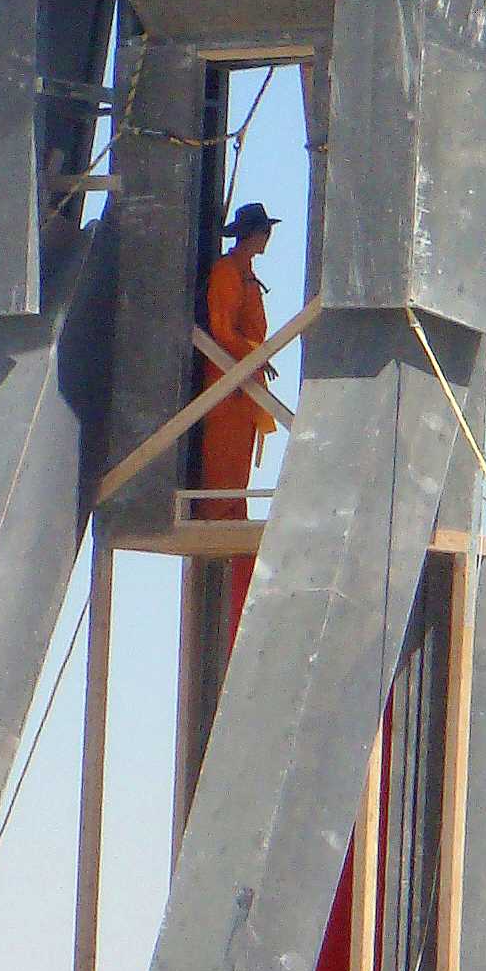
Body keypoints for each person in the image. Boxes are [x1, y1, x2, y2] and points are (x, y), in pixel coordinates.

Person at [196, 201, 282, 642]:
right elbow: (221, 329)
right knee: (224, 453)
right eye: (264, 232)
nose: (268, 240)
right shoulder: (228, 274)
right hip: (226, 382)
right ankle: (218, 513)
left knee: (240, 458)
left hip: (242, 383)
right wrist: (252, 356)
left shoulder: (246, 275)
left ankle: (231, 509)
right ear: (252, 235)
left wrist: (255, 358)